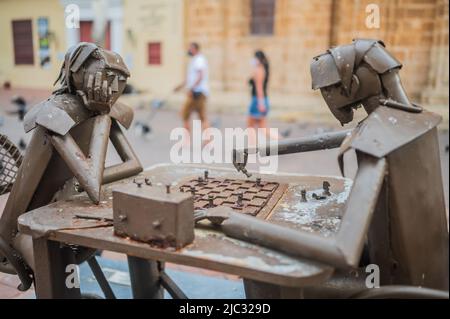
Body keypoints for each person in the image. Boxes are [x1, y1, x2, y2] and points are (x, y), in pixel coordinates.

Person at [174, 42, 210, 139]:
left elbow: (200, 76)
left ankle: (187, 138)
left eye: (190, 49)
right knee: (201, 116)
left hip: (197, 93)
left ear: (195, 49)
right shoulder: (195, 60)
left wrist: (191, 88)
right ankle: (207, 139)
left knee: (185, 114)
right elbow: (190, 78)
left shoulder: (199, 60)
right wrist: (180, 86)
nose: (188, 50)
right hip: (198, 92)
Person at [247, 50, 277, 143]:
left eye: (255, 58)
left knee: (252, 126)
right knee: (261, 127)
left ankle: (253, 147)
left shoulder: (259, 70)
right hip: (260, 99)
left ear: (258, 59)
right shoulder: (261, 69)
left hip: (258, 100)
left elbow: (259, 88)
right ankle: (281, 141)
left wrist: (261, 103)